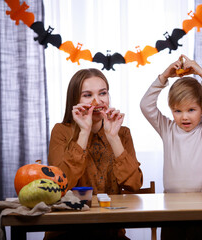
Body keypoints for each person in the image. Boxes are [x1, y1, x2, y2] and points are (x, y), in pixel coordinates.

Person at [47, 68, 143, 240]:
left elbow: (134, 185)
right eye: (87, 95)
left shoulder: (123, 133)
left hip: (110, 231)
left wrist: (113, 137)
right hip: (67, 232)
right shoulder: (61, 131)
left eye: (102, 93)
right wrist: (84, 131)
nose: (97, 101)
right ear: (74, 100)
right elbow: (61, 185)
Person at [140, 55, 202, 239]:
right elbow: (145, 105)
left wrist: (201, 73)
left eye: (191, 110)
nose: (184, 117)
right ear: (171, 109)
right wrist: (164, 76)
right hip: (172, 206)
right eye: (177, 111)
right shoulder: (168, 129)